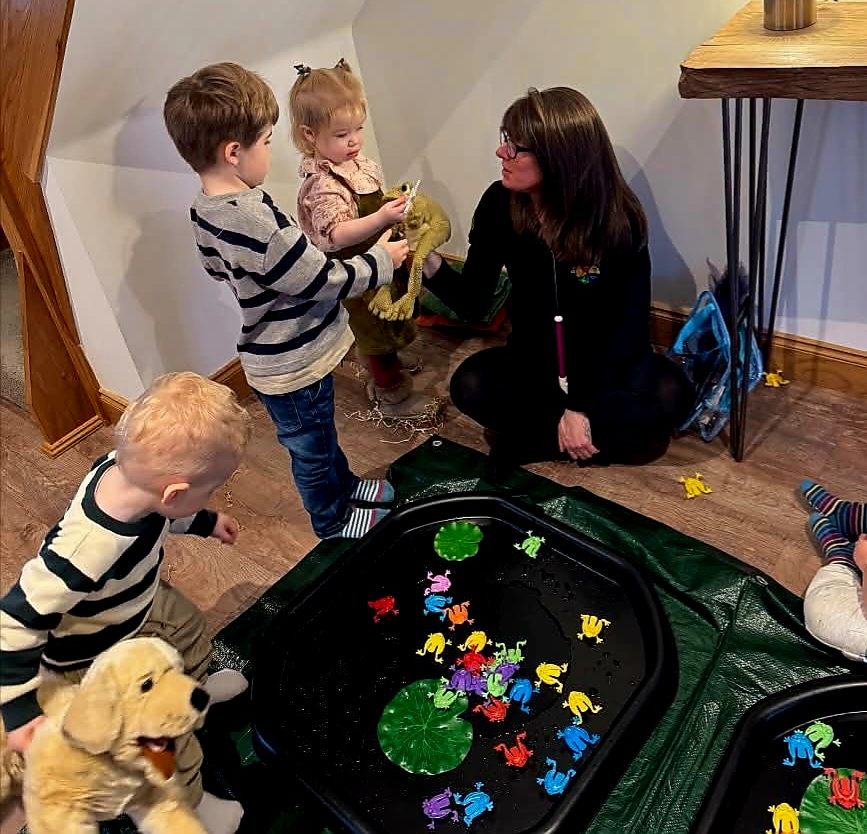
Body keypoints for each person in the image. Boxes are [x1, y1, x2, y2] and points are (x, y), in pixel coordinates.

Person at [164, 62, 408, 539]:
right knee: (311, 451)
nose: (270, 153)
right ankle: (332, 520)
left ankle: (348, 488)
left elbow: (217, 267)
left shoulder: (207, 207)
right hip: (291, 362)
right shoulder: (254, 219)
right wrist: (382, 260)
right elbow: (321, 279)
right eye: (267, 141)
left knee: (320, 437)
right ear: (234, 152)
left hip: (284, 356)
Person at [0, 373, 253, 834]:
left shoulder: (130, 472)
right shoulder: (83, 553)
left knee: (191, 634)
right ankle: (189, 804)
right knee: (160, 743)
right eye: (210, 491)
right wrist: (18, 712)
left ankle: (197, 696)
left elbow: (164, 513)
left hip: (136, 602)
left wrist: (205, 520)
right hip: (93, 655)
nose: (210, 498)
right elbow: (13, 622)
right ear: (174, 492)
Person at [421, 87, 694, 474]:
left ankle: (546, 437)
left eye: (517, 147)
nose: (502, 153)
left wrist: (579, 407)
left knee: (673, 395)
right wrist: (420, 258)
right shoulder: (499, 203)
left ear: (559, 160)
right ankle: (570, 438)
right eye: (505, 141)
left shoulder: (618, 220)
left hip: (603, 365)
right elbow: (473, 302)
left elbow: (628, 330)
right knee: (469, 383)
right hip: (535, 361)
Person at [291, 59, 433, 419]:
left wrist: (394, 206)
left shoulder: (359, 165)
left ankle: (387, 357)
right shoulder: (322, 184)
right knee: (373, 327)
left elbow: (372, 199)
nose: (354, 140)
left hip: (381, 258)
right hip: (357, 273)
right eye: (341, 135)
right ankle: (392, 393)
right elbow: (336, 234)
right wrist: (382, 217)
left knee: (392, 315)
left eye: (358, 129)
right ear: (310, 135)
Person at [799, 481, 867, 663]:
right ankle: (848, 516)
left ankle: (842, 556)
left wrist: (865, 563)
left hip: (851, 623)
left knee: (824, 608)